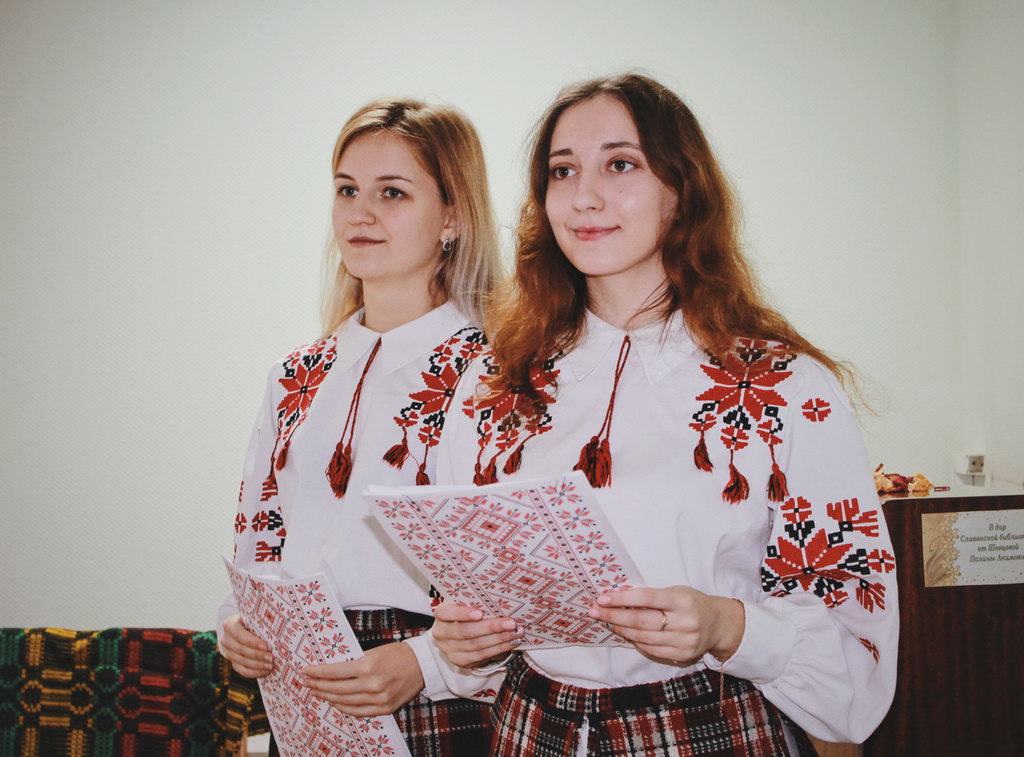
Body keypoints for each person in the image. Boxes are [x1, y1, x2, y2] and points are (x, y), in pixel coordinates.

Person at [431, 73, 899, 756]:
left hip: (707, 725)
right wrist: (462, 643)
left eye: (620, 164)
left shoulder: (786, 386)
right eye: (563, 171)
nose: (584, 196)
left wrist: (727, 625)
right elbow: (468, 605)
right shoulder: (492, 383)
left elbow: (859, 650)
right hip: (530, 727)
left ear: (681, 191)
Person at [217, 97, 501, 755]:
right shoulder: (295, 375)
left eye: (392, 192)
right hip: (301, 689)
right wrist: (238, 624)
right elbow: (260, 534)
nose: (360, 213)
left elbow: (509, 576)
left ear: (453, 216)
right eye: (347, 189)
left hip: (436, 700)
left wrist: (425, 663)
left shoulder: (495, 372)